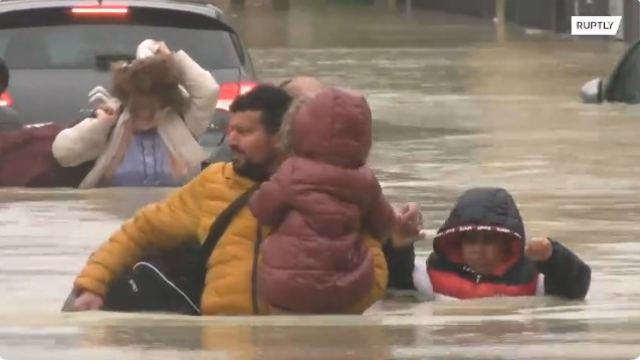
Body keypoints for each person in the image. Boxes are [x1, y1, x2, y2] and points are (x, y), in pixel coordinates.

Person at [70, 84, 423, 315]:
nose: (232, 140)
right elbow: (140, 232)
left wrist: (398, 245)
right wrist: (92, 286)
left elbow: (375, 275)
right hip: (225, 345)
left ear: (282, 137)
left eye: (245, 131)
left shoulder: (337, 192)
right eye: (230, 130)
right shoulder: (214, 183)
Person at [249, 87, 397, 313]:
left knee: (280, 339)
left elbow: (261, 209)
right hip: (348, 283)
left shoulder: (292, 171)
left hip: (287, 283)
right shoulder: (366, 181)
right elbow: (384, 225)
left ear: (301, 127)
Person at [52, 40, 218, 188]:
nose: (144, 115)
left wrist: (172, 60)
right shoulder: (113, 120)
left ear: (165, 100)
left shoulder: (183, 122)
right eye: (138, 108)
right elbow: (63, 153)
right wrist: (100, 124)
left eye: (151, 107)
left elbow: (209, 90)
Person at [385, 187, 591, 300]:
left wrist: (553, 255)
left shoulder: (535, 281)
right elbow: (393, 285)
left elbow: (576, 287)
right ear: (457, 243)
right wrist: (398, 245)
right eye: (470, 239)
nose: (478, 248)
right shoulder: (430, 279)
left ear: (508, 244)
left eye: (489, 240)